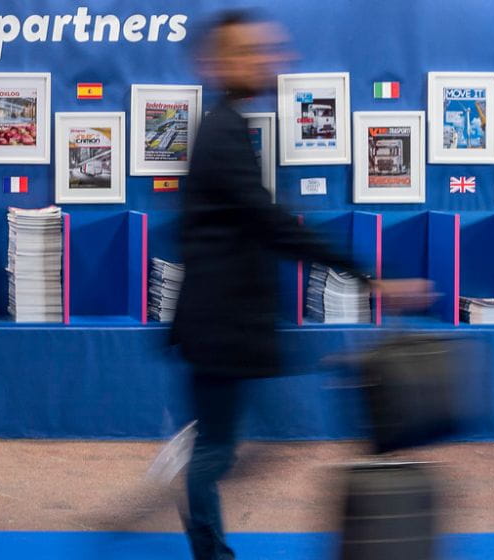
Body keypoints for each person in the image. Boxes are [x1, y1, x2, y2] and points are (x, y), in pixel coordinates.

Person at [173, 12, 430, 560]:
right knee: (217, 453)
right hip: (220, 330)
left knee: (226, 446)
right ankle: (207, 544)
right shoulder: (222, 134)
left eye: (267, 51)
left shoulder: (226, 128)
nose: (266, 61)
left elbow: (249, 227)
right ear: (218, 63)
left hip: (225, 327)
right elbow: (271, 225)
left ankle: (198, 506)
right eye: (250, 52)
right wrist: (369, 276)